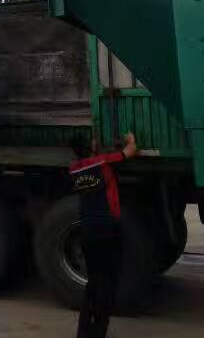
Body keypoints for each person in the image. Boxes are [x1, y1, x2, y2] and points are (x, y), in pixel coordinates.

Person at [70, 132, 138, 338]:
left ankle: (83, 331)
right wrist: (130, 139)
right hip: (106, 230)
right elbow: (130, 151)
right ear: (90, 147)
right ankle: (99, 331)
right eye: (93, 139)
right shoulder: (103, 162)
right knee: (108, 282)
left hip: (87, 231)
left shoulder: (74, 169)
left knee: (93, 282)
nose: (96, 139)